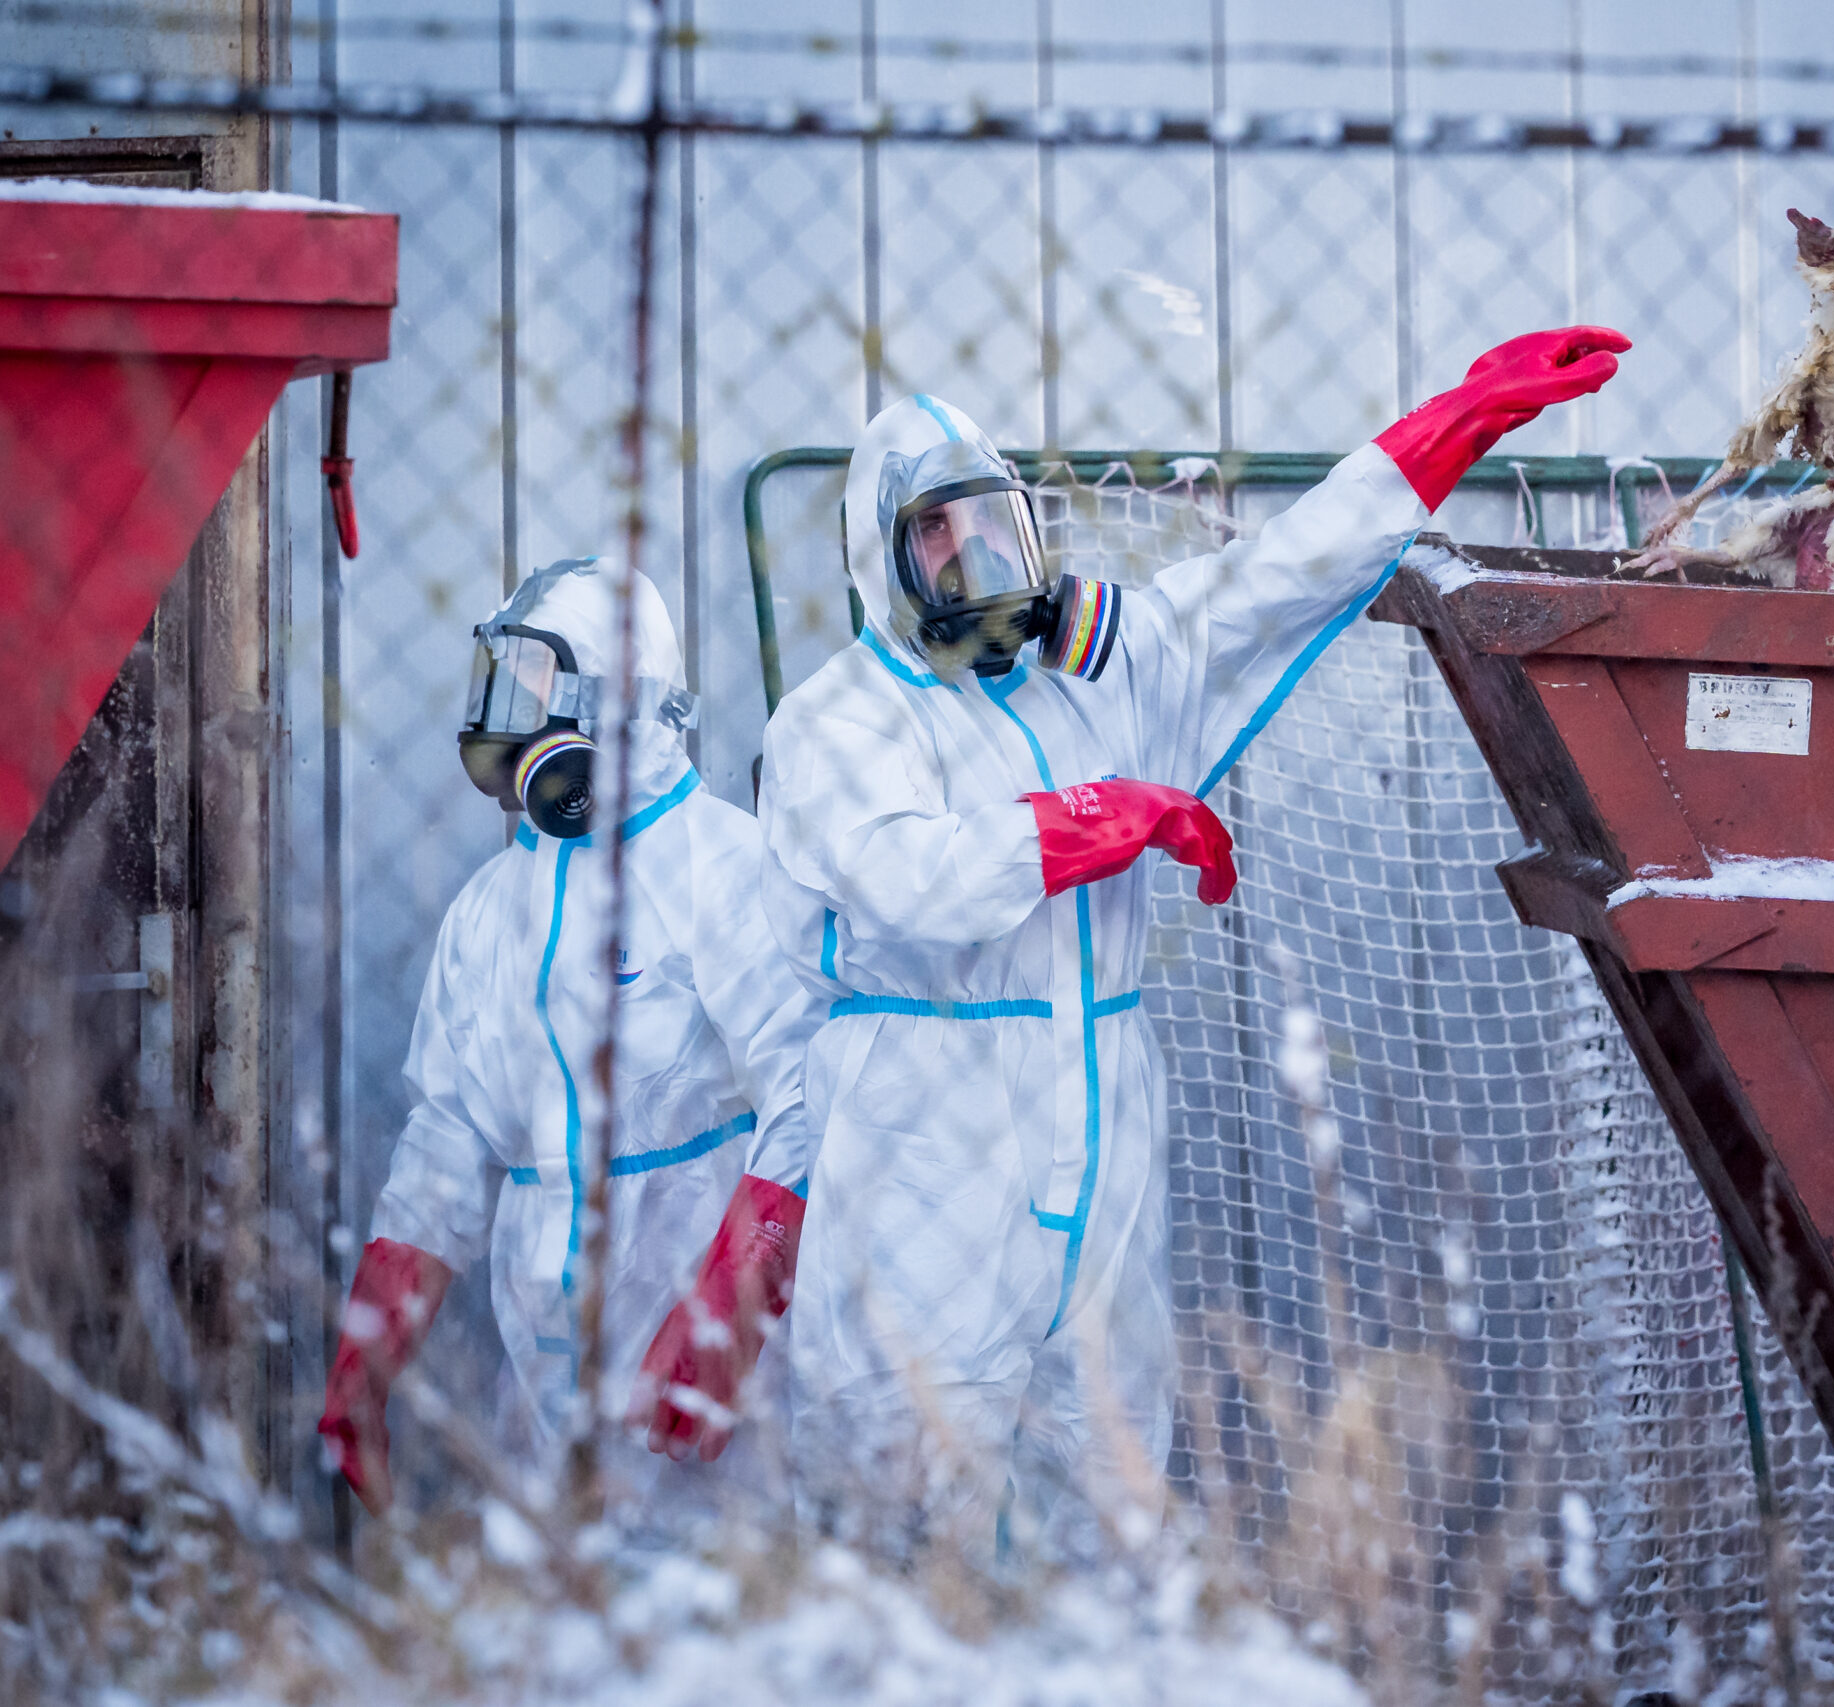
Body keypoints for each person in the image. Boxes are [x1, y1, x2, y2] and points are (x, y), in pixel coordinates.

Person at [759, 329, 1628, 1552]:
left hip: (1102, 1122)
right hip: (924, 1144)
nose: (973, 553)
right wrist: (1098, 815)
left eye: (992, 521)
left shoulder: (1093, 675)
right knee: (902, 1493)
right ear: (881, 559)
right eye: (934, 533)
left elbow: (1276, 576)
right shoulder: (837, 720)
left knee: (1107, 1479)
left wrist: (1454, 426)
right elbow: (913, 881)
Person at [317, 556, 828, 1520]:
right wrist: (369, 1351)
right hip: (541, 1391)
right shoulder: (492, 907)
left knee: (711, 1596)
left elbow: (809, 1092)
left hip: (701, 1376)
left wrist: (729, 1311)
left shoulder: (724, 870)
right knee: (552, 1596)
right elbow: (448, 1139)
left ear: (618, 699)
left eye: (534, 687)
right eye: (501, 686)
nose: (509, 720)